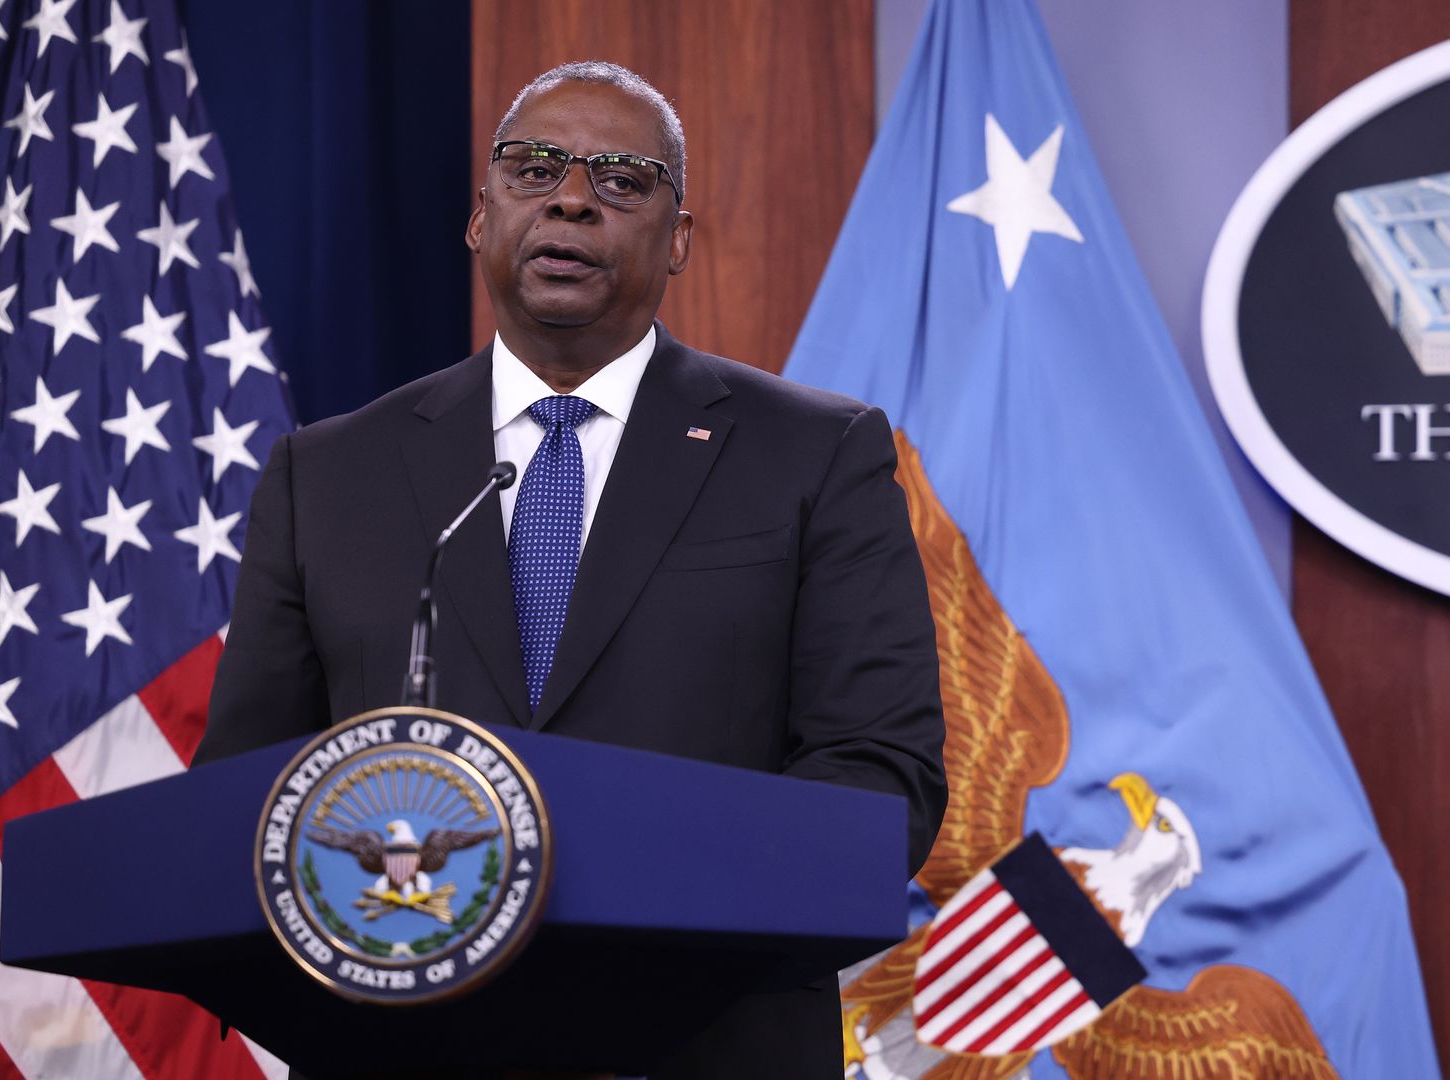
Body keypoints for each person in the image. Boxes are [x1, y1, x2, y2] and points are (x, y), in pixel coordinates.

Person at [193, 61, 947, 1079]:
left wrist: (650, 931)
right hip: (402, 1049)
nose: (573, 198)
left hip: (704, 1043)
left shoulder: (815, 455)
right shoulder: (327, 474)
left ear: (678, 240)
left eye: (623, 180)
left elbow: (879, 778)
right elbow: (245, 799)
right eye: (534, 168)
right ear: (481, 217)